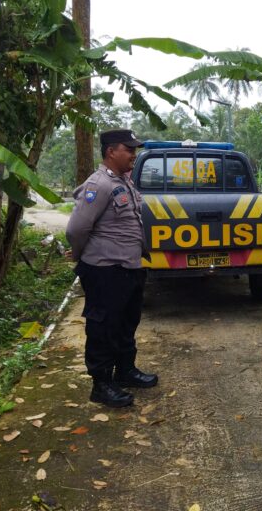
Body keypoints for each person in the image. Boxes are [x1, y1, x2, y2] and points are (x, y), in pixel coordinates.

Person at [65, 129, 158, 408]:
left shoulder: (124, 182)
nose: (133, 155)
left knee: (126, 323)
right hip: (105, 269)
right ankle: (102, 384)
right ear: (111, 152)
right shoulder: (99, 185)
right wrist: (80, 255)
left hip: (128, 267)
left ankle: (125, 371)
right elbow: (77, 228)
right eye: (128, 150)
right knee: (103, 327)